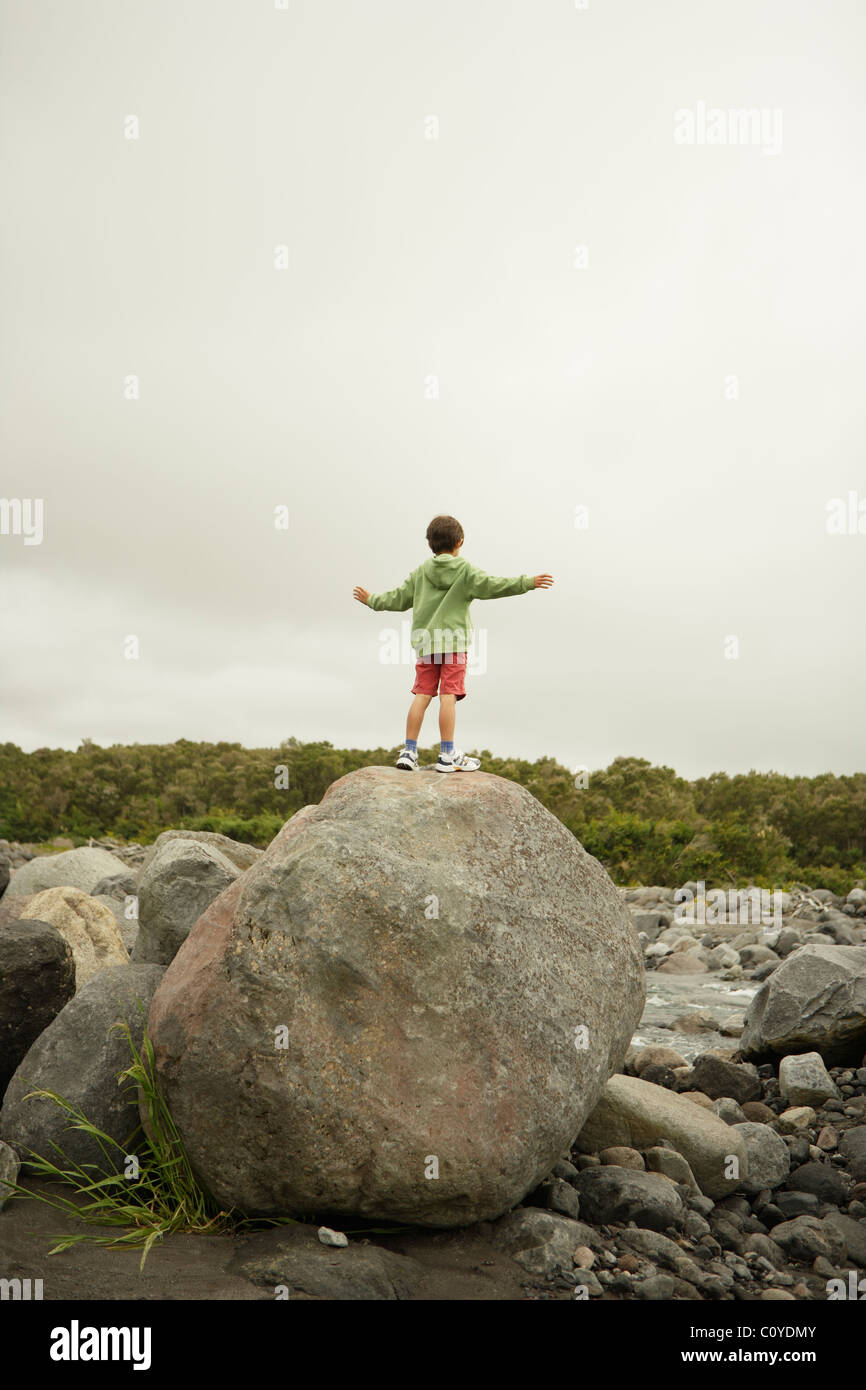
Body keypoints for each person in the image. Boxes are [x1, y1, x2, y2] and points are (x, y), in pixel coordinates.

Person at [353, 514, 553, 772]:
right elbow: (494, 586)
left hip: (426, 644)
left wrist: (372, 600)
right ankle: (447, 754)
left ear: (430, 544)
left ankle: (409, 751)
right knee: (449, 696)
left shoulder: (421, 572)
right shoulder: (465, 571)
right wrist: (527, 583)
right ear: (459, 542)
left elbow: (397, 599)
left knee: (422, 694)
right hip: (454, 644)